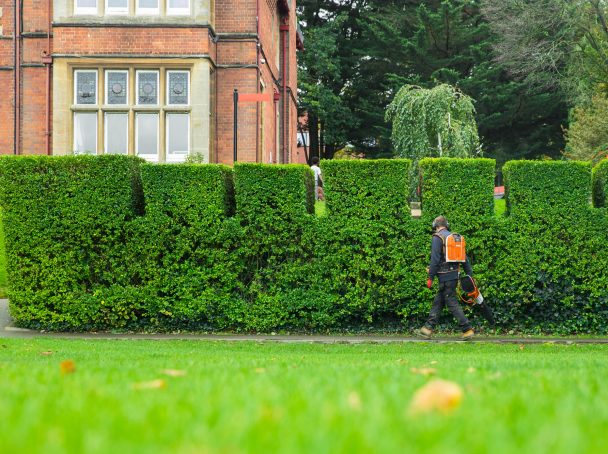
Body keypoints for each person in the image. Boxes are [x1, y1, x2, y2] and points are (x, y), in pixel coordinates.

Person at [418, 215, 475, 340]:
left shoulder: (437, 238)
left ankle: (467, 329)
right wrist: (469, 274)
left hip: (444, 277)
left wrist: (430, 277)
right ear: (447, 225)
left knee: (451, 302)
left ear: (435, 226)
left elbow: (435, 259)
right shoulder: (455, 238)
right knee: (439, 300)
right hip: (454, 275)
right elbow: (464, 258)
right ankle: (427, 328)